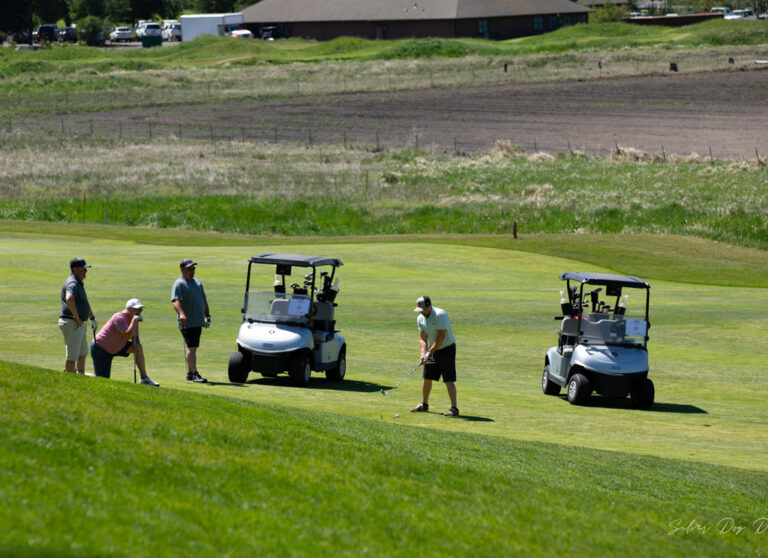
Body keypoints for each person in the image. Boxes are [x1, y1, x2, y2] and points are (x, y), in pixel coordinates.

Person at [90, 299, 159, 386]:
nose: (139, 312)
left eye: (140, 310)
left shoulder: (134, 318)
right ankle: (80, 373)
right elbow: (128, 335)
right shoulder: (119, 317)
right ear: (129, 309)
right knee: (103, 380)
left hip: (116, 346)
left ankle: (144, 378)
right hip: (101, 349)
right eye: (137, 309)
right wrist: (134, 321)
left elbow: (135, 339)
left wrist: (136, 348)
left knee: (138, 347)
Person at [410, 295, 459, 417]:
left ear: (429, 307)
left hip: (446, 349)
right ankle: (424, 405)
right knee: (427, 377)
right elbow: (422, 338)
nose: (421, 312)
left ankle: (454, 409)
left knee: (448, 379)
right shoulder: (420, 318)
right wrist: (423, 354)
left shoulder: (440, 315)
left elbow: (441, 337)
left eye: (423, 309)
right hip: (432, 350)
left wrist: (429, 353)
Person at [171, 258, 211, 383]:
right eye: (189, 269)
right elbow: (175, 301)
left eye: (193, 268)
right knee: (191, 348)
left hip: (198, 321)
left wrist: (207, 315)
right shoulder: (179, 284)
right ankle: (195, 374)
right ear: (182, 270)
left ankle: (189, 373)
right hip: (187, 322)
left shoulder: (197, 282)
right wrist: (182, 314)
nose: (192, 271)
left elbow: (203, 299)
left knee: (193, 347)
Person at [58, 257, 97, 375]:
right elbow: (69, 298)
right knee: (72, 355)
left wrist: (92, 318)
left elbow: (84, 302)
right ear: (75, 270)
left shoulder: (78, 282)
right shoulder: (73, 282)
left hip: (77, 323)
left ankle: (80, 375)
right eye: (83, 269)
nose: (86, 271)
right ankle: (69, 375)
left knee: (82, 352)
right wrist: (77, 318)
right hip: (72, 322)